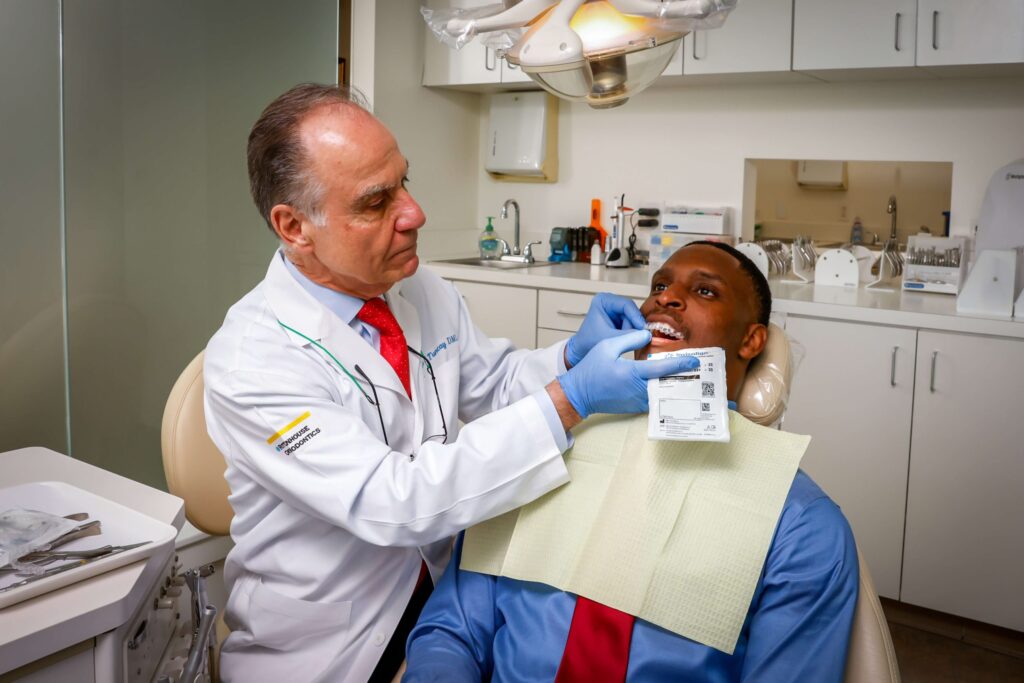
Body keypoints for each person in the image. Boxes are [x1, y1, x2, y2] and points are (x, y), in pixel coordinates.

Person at [202, 83, 697, 683]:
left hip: (443, 611)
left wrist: (571, 356)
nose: (414, 214)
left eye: (404, 183)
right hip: (326, 650)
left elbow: (495, 384)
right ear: (294, 227)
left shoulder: (416, 287)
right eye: (376, 202)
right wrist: (572, 399)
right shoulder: (253, 359)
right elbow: (395, 501)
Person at [402, 242, 860, 683]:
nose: (667, 297)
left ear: (751, 340)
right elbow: (451, 634)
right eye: (659, 285)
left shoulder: (798, 522)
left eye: (704, 291)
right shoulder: (537, 453)